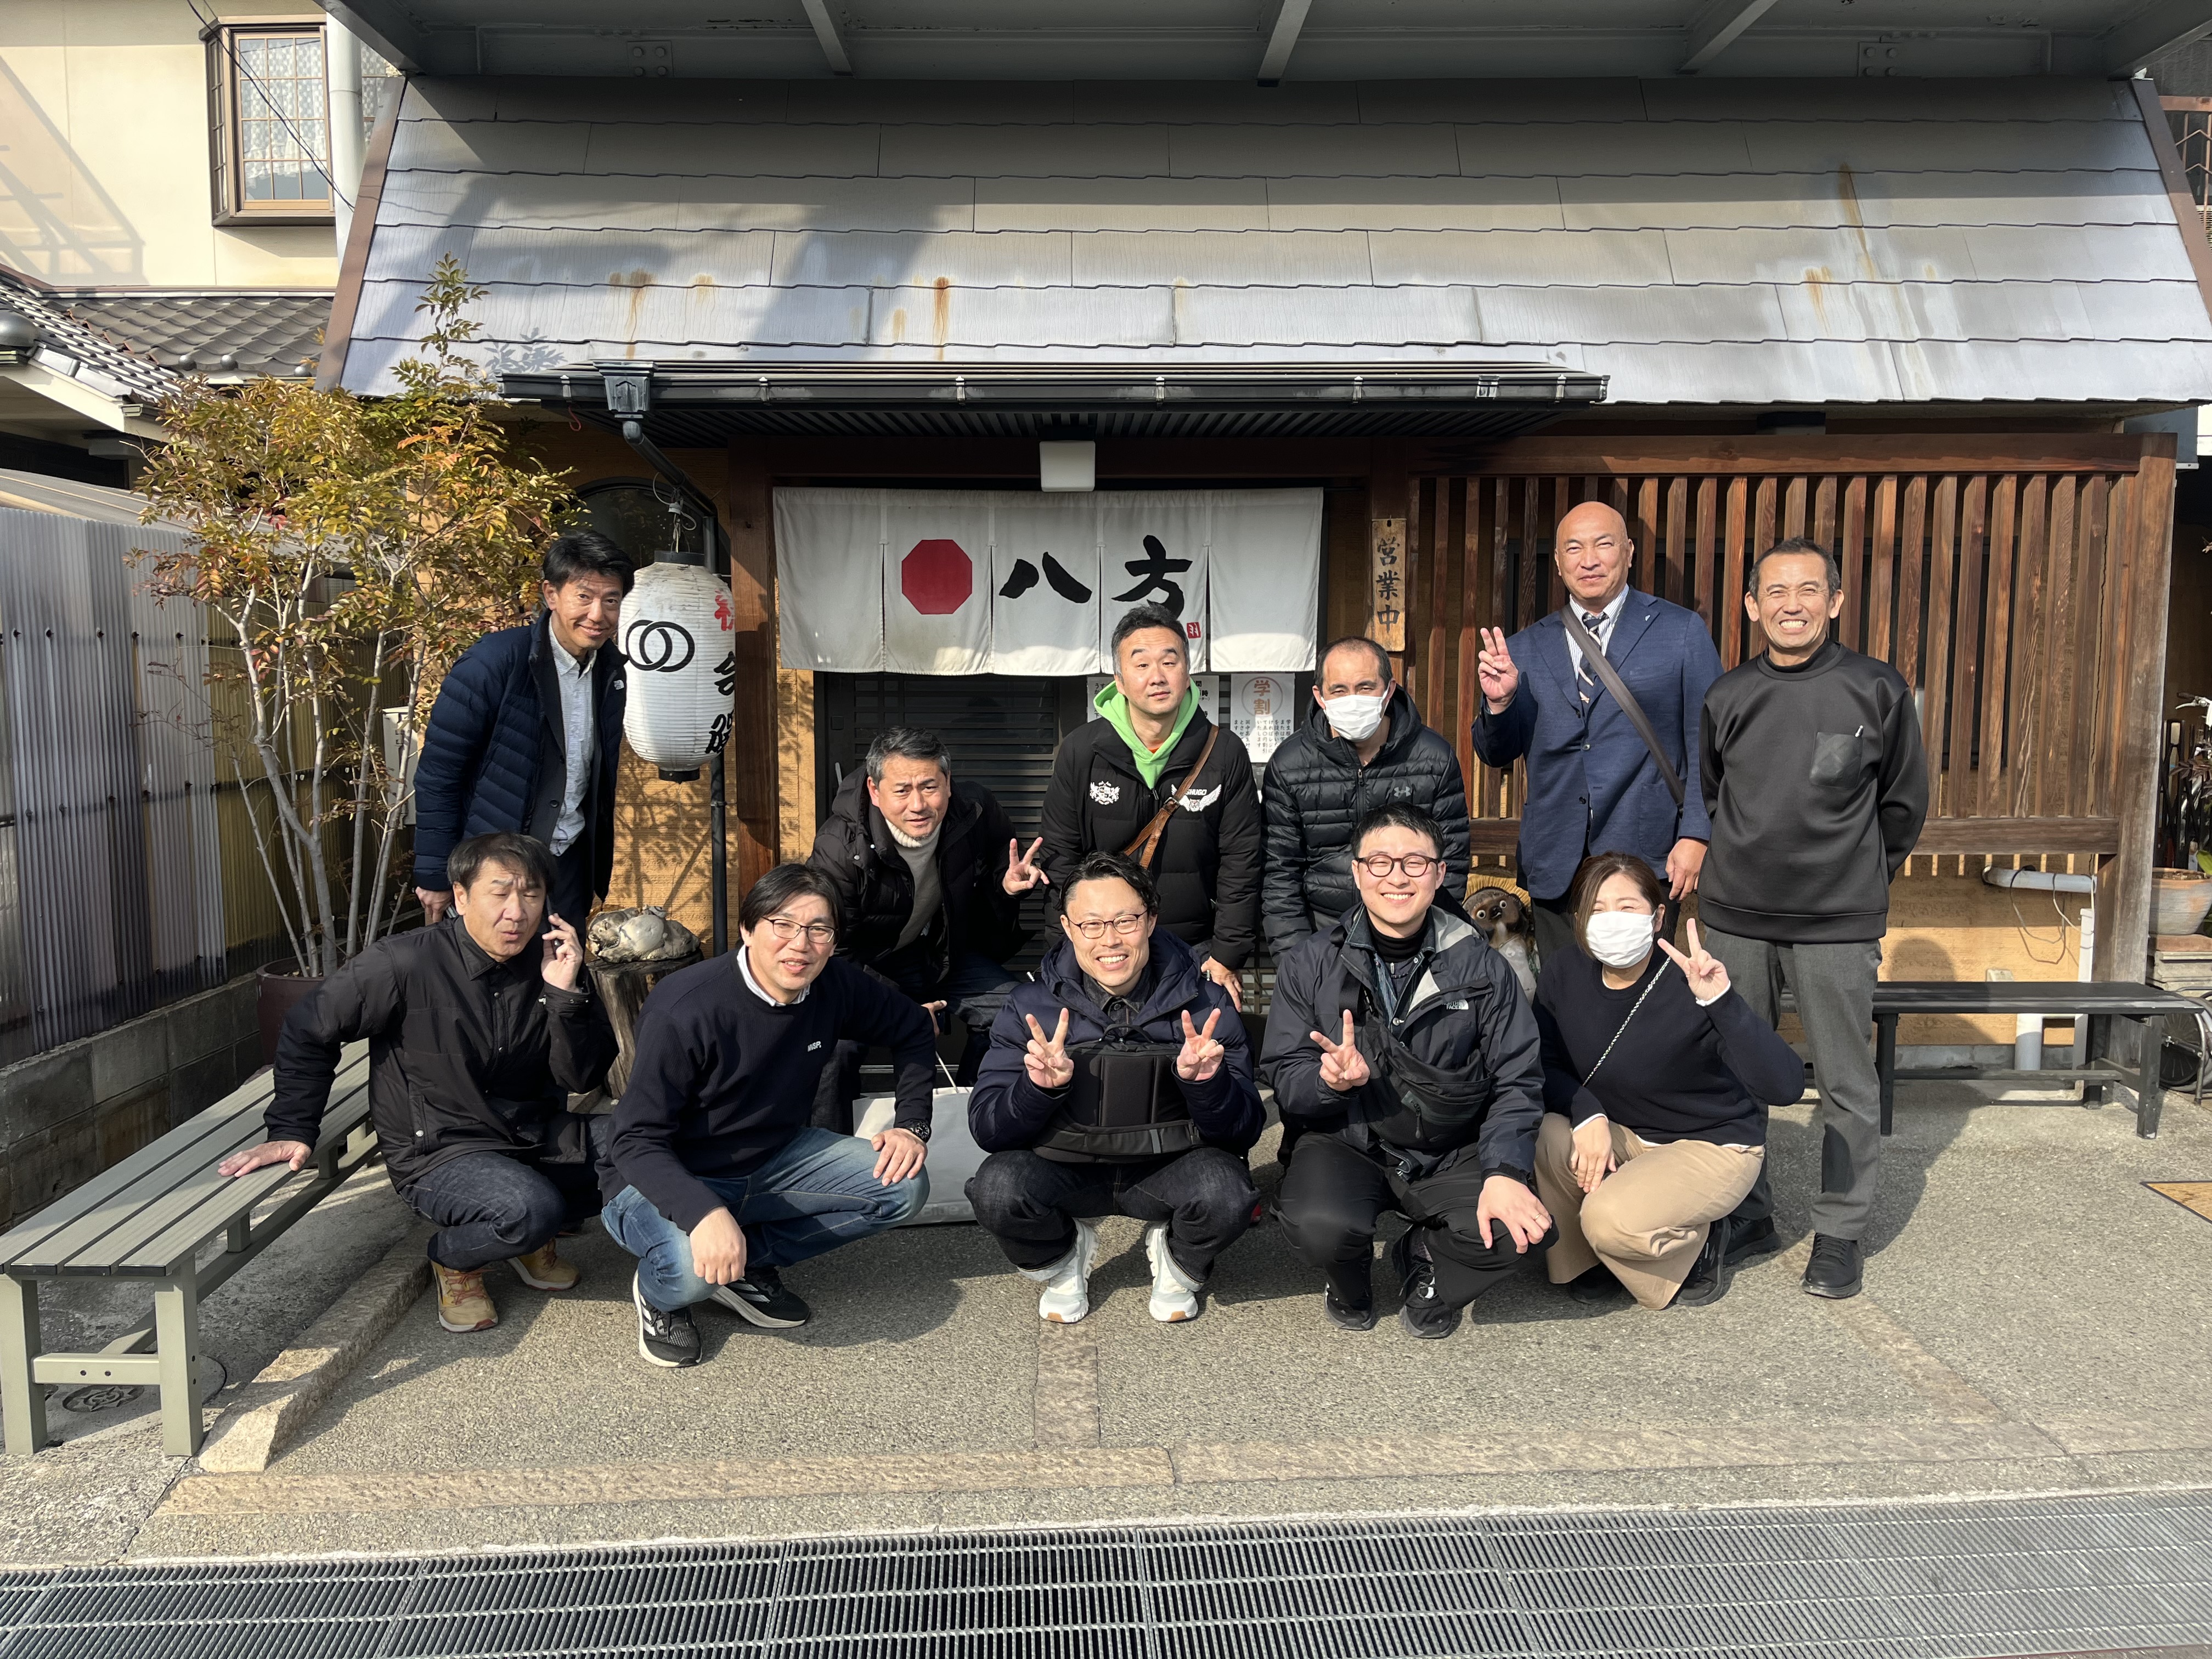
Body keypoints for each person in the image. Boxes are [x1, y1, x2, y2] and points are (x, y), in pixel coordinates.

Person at [221, 832, 617, 1335]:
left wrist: (564, 995)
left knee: (645, 1144)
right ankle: (456, 1259)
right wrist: (292, 1128)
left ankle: (526, 1237)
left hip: (530, 1134)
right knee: (531, 1209)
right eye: (500, 893)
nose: (516, 912)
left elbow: (580, 1077)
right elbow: (308, 1026)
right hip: (440, 1152)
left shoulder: (553, 963)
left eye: (532, 894)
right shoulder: (404, 962)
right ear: (461, 897)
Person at [1697, 537, 1928, 1300]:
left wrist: (1856, 877)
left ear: (1834, 600)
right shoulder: (1729, 695)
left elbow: (1902, 806)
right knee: (1733, 1071)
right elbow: (1714, 794)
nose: (1791, 605)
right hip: (1736, 913)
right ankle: (1743, 1213)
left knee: (1844, 1080)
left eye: (1808, 590)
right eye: (1775, 591)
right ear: (1751, 605)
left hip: (1837, 918)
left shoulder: (1876, 688)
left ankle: (1839, 1230)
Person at [600, 864, 933, 1368]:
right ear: (748, 929)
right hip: (661, 1173)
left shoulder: (835, 984)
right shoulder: (686, 1008)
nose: (801, 944)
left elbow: (915, 1028)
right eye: (783, 925)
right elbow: (634, 1140)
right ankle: (660, 1295)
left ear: (833, 941)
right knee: (689, 1271)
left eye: (819, 929)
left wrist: (912, 1125)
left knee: (903, 1186)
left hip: (773, 1156)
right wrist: (703, 1213)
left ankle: (742, 1264)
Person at [1264, 804, 1554, 1338]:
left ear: (1440, 873)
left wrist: (1505, 1173)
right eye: (1379, 862)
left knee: (1516, 1232)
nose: (1396, 876)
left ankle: (1423, 1258)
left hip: (1449, 1144)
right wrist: (1327, 1082)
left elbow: (1518, 1079)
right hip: (1347, 1138)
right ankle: (1347, 1277)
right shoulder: (1310, 962)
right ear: (1357, 873)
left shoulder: (1482, 966)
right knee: (1319, 1225)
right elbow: (1285, 1073)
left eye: (1415, 863)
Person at [967, 851, 1263, 1326]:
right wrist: (1035, 1090)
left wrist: (1208, 1084)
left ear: (1151, 920)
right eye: (1092, 924)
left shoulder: (1206, 1004)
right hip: (1067, 1172)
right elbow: (988, 1129)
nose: (1110, 940)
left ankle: (1178, 1257)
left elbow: (1244, 1130)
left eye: (1126, 920)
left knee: (1228, 1192)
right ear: (1068, 928)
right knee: (997, 1189)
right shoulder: (1029, 1006)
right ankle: (1064, 1255)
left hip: (1167, 1170)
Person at [1532, 852, 1806, 1312]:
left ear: (1658, 918)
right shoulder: (1564, 971)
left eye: (1627, 907)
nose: (1611, 921)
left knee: (1606, 1219)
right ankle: (1592, 1260)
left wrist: (1721, 1001)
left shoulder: (1689, 981)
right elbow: (1544, 1065)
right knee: (1547, 1135)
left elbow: (1786, 1087)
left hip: (1709, 1145)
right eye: (1596, 909)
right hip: (1626, 1132)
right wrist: (1586, 1112)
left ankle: (1702, 1239)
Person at [1471, 501, 1721, 966]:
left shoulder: (1680, 631)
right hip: (1555, 858)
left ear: (1628, 552)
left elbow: (1707, 744)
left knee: (1641, 991)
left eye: (1603, 545)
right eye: (1574, 548)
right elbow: (1496, 753)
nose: (1589, 560)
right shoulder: (1526, 646)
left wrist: (1697, 835)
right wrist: (1499, 704)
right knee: (1564, 992)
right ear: (1558, 563)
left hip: (1648, 852)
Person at [807, 726, 1034, 1131]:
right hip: (861, 966)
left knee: (1016, 1012)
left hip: (937, 953)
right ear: (875, 791)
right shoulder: (839, 847)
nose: (918, 805)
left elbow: (1004, 849)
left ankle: (977, 1121)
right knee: (835, 1044)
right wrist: (900, 1009)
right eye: (902, 790)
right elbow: (836, 953)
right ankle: (831, 1146)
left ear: (948, 783)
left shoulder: (974, 808)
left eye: (930, 787)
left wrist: (1006, 882)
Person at [1039, 602, 1260, 1011]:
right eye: (1141, 665)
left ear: (1187, 672)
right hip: (1106, 949)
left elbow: (1241, 861)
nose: (1157, 676)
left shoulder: (1224, 751)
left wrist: (1228, 955)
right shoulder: (1081, 751)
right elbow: (1060, 858)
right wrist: (1068, 949)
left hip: (1195, 950)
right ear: (1120, 681)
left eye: (1169, 662)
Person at [412, 529, 633, 933]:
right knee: (494, 971)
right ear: (551, 595)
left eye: (611, 600)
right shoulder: (495, 662)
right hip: (494, 868)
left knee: (563, 967)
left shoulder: (610, 672)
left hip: (568, 863)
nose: (597, 614)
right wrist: (434, 872)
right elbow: (440, 773)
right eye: (584, 597)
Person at [1261, 635, 1472, 956]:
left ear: (1389, 691)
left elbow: (1450, 861)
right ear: (1320, 696)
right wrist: (1298, 961)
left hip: (1411, 933)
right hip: (1323, 934)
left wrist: (1427, 946)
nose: (1353, 700)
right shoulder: (1289, 764)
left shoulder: (1433, 758)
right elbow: (1280, 872)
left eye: (1365, 688)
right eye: (1339, 690)